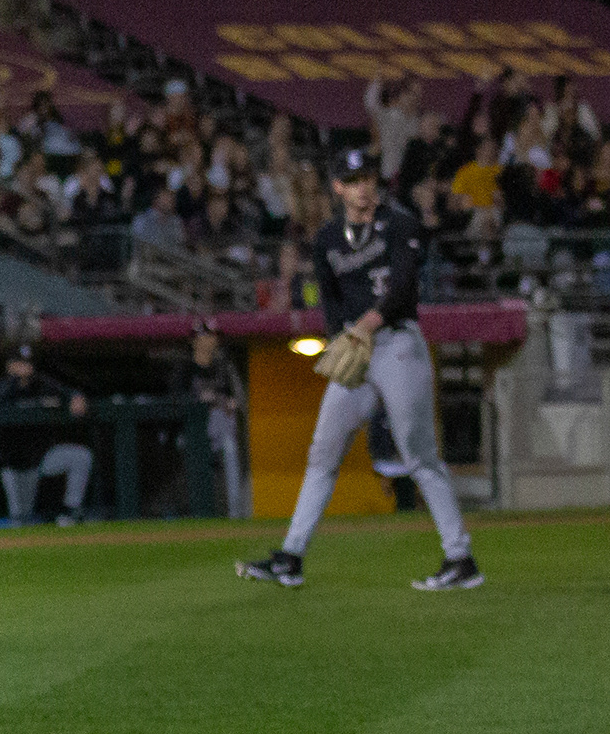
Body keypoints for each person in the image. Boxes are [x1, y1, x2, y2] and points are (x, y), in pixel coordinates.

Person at [238, 152, 479, 591]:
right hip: (356, 350)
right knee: (322, 454)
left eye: (367, 177)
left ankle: (460, 558)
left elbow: (405, 285)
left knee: (419, 454)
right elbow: (329, 301)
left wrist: (363, 327)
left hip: (396, 343)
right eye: (352, 180)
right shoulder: (328, 238)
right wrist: (337, 339)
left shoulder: (399, 224)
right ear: (338, 188)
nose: (362, 187)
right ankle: (290, 557)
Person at [0, 346, 93, 527]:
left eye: (28, 363)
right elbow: (0, 400)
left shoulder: (42, 383)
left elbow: (68, 392)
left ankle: (71, 510)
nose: (25, 367)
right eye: (20, 363)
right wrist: (17, 380)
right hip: (12, 462)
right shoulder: (3, 386)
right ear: (10, 366)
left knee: (81, 457)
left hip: (41, 457)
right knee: (20, 517)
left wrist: (76, 397)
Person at [176, 322, 248, 519]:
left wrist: (226, 401)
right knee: (193, 471)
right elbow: (175, 400)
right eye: (204, 336)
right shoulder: (185, 368)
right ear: (194, 340)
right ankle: (192, 512)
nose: (209, 340)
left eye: (212, 336)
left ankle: (234, 511)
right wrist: (200, 400)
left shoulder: (223, 367)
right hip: (193, 430)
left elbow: (237, 399)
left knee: (230, 449)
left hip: (222, 428)